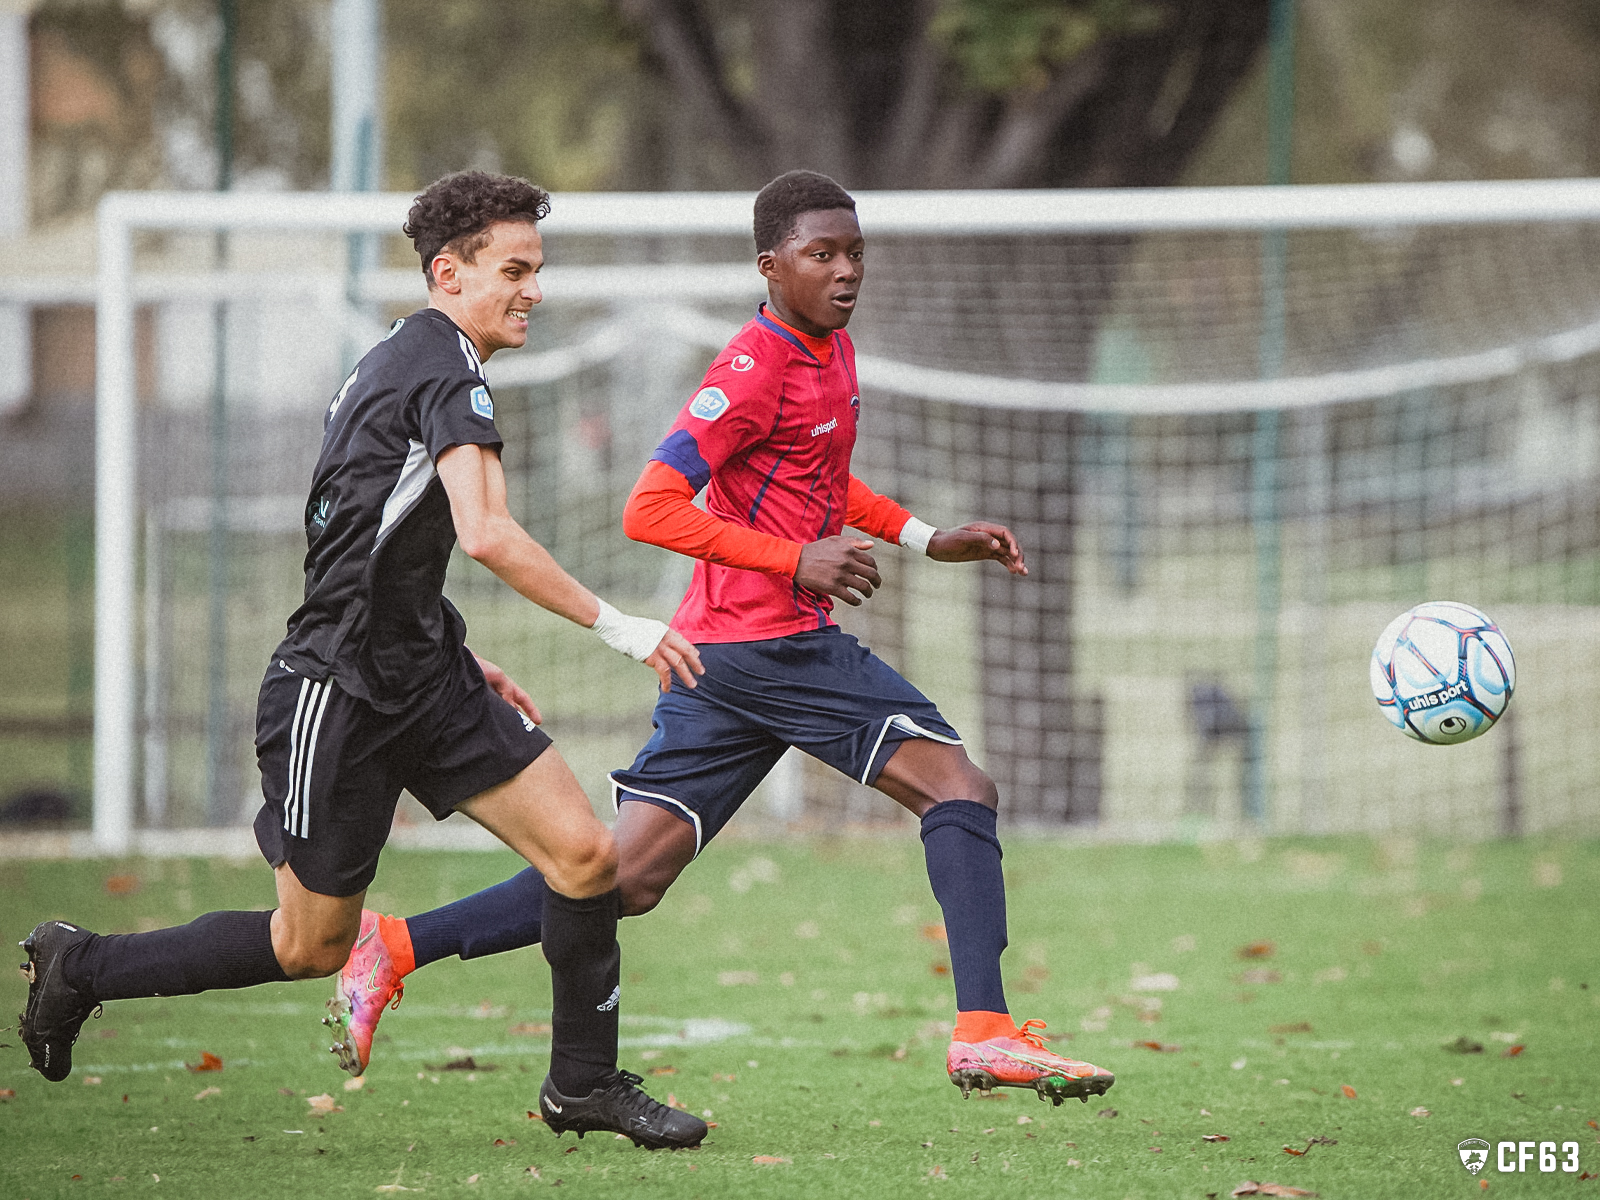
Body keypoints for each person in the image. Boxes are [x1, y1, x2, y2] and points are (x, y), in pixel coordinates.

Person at [324, 170, 1117, 1109]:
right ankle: (984, 1032)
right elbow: (649, 506)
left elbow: (823, 481)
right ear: (770, 266)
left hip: (727, 658)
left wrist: (925, 537)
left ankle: (395, 946)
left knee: (627, 873)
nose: (846, 270)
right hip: (766, 643)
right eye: (822, 254)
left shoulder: (833, 350)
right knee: (959, 784)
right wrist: (792, 561)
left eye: (855, 252)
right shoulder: (751, 366)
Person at [16, 170, 709, 1150]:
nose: (534, 292)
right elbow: (488, 533)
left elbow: (387, 539)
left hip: (424, 674)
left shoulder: (411, 356)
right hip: (336, 690)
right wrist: (624, 626)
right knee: (309, 945)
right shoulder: (444, 369)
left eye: (536, 270)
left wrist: (461, 654)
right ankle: (82, 967)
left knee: (585, 855)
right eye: (515, 270)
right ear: (448, 271)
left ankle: (582, 1087)